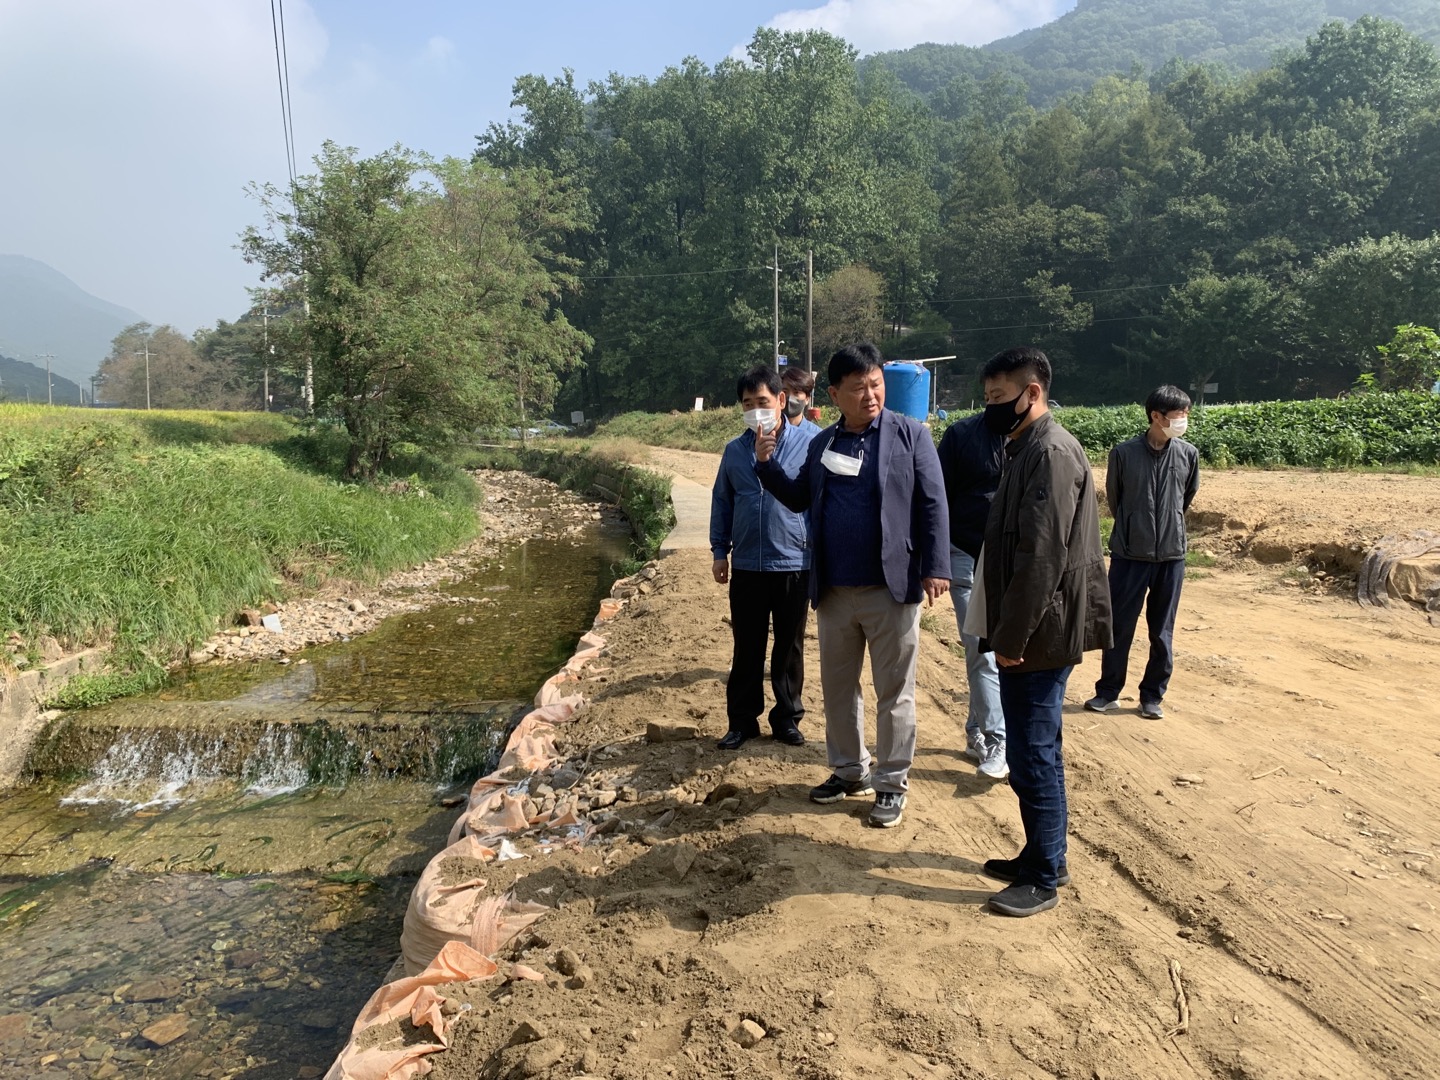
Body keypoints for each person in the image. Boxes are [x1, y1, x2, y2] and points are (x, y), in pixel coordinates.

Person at [755, 343, 950, 829]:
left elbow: (933, 504)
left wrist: (937, 566)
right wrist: (766, 464)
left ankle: (891, 783)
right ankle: (849, 770)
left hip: (891, 587)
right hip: (836, 591)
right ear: (836, 393)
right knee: (839, 689)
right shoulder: (823, 444)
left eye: (877, 384)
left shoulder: (910, 436)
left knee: (894, 692)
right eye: (859, 387)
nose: (871, 395)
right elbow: (800, 498)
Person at [975, 346, 1112, 917]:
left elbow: (1041, 558)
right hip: (1031, 625)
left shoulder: (1051, 453)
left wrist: (1011, 638)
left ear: (1032, 394)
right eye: (986, 401)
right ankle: (1040, 853)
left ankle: (1045, 874)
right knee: (1034, 746)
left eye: (999, 399)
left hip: (1040, 630)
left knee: (1035, 750)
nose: (991, 410)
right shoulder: (1025, 447)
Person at [710, 365, 821, 750]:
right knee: (747, 646)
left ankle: (787, 719)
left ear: (781, 400)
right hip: (747, 565)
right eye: (747, 403)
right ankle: (742, 722)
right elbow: (722, 501)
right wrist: (719, 551)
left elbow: (819, 503)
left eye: (762, 401)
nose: (756, 409)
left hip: (794, 563)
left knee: (789, 647)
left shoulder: (811, 443)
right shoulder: (734, 451)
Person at [1086, 385, 1200, 720]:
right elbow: (1116, 500)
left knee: (1162, 630)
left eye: (1184, 415)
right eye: (1178, 415)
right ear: (1156, 416)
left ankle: (1152, 696)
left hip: (1171, 556)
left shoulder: (1188, 454)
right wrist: (1136, 527)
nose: (1183, 420)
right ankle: (1108, 692)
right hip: (1129, 555)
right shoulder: (1123, 454)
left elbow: (1186, 498)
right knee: (1118, 627)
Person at [936, 410, 1008, 779]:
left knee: (1003, 649)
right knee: (982, 647)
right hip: (963, 553)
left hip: (1009, 558)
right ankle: (999, 740)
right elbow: (935, 495)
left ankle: (975, 730)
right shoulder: (961, 435)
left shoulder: (1034, 440)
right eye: (993, 395)